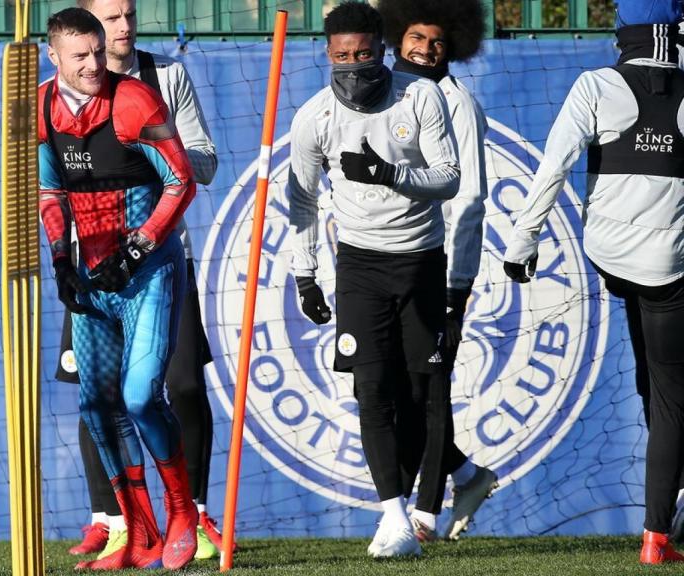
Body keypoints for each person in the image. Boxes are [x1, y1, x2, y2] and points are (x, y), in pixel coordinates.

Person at [502, 0, 684, 564]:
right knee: (674, 395)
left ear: (621, 31)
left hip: (610, 255)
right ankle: (658, 533)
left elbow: (553, 166)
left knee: (653, 380)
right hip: (669, 264)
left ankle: (669, 499)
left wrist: (521, 242)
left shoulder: (595, 84)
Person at [286, 1, 459, 558]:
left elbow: (449, 179)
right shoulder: (314, 116)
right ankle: (394, 517)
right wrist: (305, 276)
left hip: (422, 260)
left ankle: (419, 504)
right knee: (370, 389)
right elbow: (302, 200)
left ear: (382, 50)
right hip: (360, 266)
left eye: (363, 54)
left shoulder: (420, 95)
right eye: (342, 56)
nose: (353, 66)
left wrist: (390, 173)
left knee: (422, 391)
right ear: (327, 55)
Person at [57, 0, 225, 562]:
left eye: (98, 51)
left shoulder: (144, 91)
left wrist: (140, 245)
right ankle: (135, 529)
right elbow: (48, 188)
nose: (94, 61)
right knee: (94, 403)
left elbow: (187, 176)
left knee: (152, 393)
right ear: (57, 52)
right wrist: (61, 259)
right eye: (82, 52)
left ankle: (187, 512)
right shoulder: (43, 106)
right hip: (92, 273)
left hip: (150, 265)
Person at [378, 0, 498, 542]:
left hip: (437, 265)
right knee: (391, 388)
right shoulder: (378, 91)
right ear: (396, 36)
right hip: (382, 261)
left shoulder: (458, 103)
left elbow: (470, 198)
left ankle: (422, 513)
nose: (424, 49)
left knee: (430, 384)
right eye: (415, 37)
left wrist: (459, 286)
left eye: (437, 41)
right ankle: (467, 475)